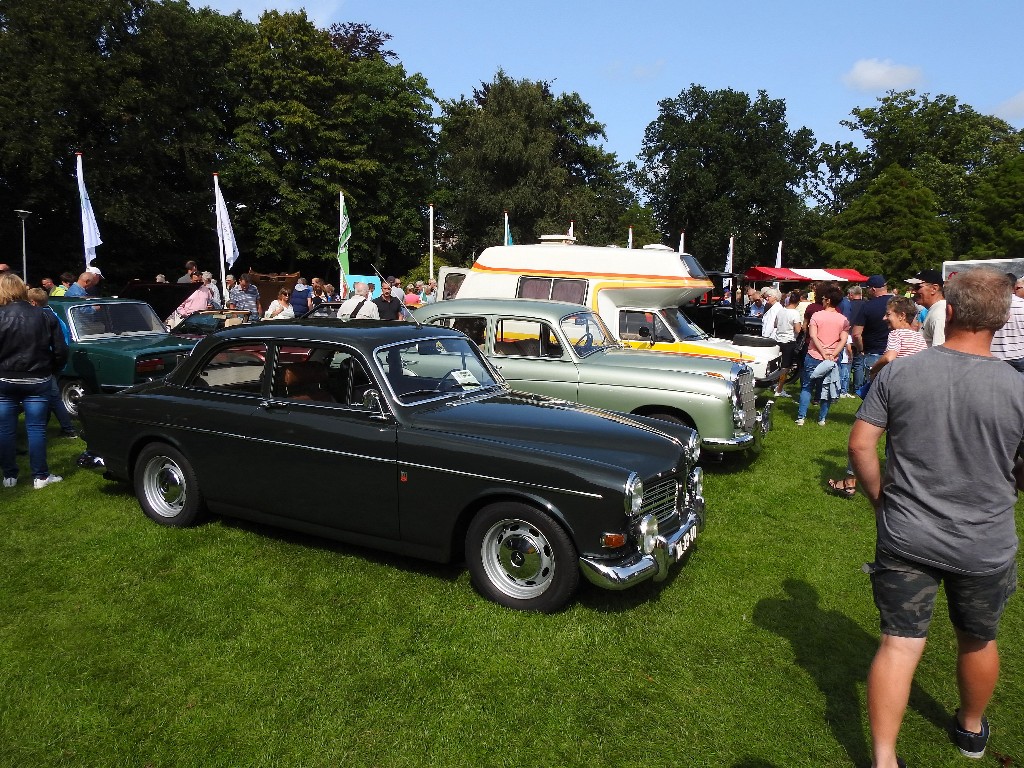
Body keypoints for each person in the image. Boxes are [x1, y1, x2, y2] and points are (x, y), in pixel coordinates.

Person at [849, 267, 1024, 767]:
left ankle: (884, 758)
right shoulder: (1017, 388)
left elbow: (861, 443)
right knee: (978, 639)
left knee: (899, 644)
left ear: (946, 308)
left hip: (907, 536)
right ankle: (971, 730)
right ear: (1004, 315)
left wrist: (881, 499)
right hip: (984, 542)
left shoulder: (904, 371)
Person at [827, 296, 925, 499]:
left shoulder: (897, 334)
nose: (884, 318)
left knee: (862, 436)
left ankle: (850, 481)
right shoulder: (919, 338)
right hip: (914, 395)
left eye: (888, 314)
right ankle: (898, 487)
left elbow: (890, 357)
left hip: (891, 392)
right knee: (897, 441)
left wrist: (874, 369)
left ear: (902, 315)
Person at [0, 273, 68, 489]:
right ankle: (40, 476)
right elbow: (61, 349)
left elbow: (59, 350)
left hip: (6, 379)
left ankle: (9, 475)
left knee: (6, 429)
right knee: (36, 428)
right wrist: (52, 371)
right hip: (37, 379)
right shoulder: (45, 315)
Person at [26, 288, 78, 438]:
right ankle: (49, 424)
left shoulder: (44, 318)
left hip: (48, 363)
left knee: (54, 397)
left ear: (33, 302)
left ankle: (69, 429)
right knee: (49, 396)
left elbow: (55, 345)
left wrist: (53, 364)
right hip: (55, 362)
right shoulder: (54, 315)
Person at [796, 283, 848, 426]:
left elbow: (813, 336)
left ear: (829, 300)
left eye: (824, 298)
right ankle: (822, 418)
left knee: (807, 386)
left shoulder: (817, 315)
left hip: (814, 355)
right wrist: (832, 354)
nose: (822, 300)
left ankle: (801, 417)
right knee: (827, 388)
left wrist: (823, 352)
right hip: (832, 358)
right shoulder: (843, 319)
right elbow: (843, 339)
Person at [851, 275, 893, 377]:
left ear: (873, 289)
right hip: (896, 352)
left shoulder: (867, 306)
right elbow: (914, 325)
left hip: (873, 352)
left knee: (873, 388)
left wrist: (861, 349)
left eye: (867, 289)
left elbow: (856, 334)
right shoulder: (899, 303)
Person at [991, 274, 1024, 372]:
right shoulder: (1022, 304)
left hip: (996, 356)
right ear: (1014, 286)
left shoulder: (989, 305)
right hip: (1020, 354)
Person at [906, 269, 945, 347]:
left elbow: (939, 354)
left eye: (917, 287)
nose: (913, 291)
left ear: (934, 289)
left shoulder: (938, 314)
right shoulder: (935, 310)